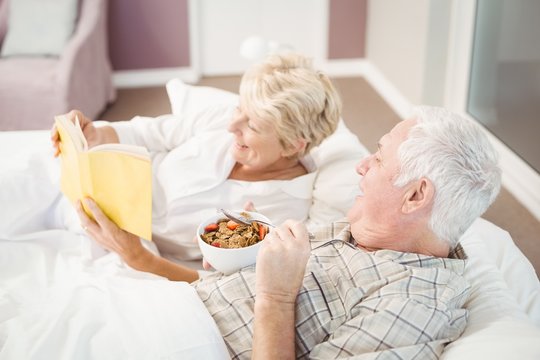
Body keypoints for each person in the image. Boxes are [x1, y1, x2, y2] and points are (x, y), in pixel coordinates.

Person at [187, 106, 500, 358]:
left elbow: (273, 295)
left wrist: (276, 297)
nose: (361, 166)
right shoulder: (361, 232)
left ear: (415, 196)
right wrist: (239, 262)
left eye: (378, 158)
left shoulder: (413, 305)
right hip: (178, 306)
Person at [50, 52, 342, 281]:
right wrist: (93, 133)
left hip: (129, 246)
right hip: (96, 181)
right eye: (240, 108)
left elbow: (226, 286)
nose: (231, 125)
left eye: (252, 124)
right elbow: (148, 133)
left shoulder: (284, 215)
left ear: (293, 145)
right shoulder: (222, 119)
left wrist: (137, 257)